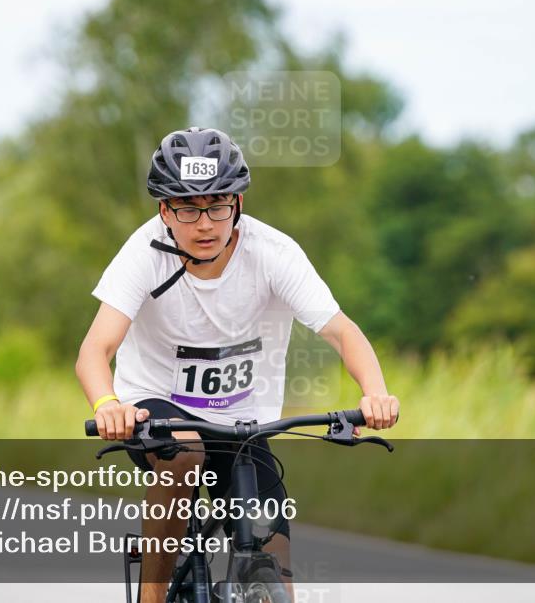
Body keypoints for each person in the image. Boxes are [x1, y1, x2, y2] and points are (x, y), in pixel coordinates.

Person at [76, 126, 399, 603]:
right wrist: (107, 404)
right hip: (156, 407)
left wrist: (374, 391)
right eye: (187, 208)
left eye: (218, 206)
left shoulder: (274, 254)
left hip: (242, 421)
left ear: (238, 206)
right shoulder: (143, 254)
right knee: (185, 453)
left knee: (276, 560)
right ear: (165, 210)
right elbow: (94, 351)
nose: (205, 224)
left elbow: (341, 331)